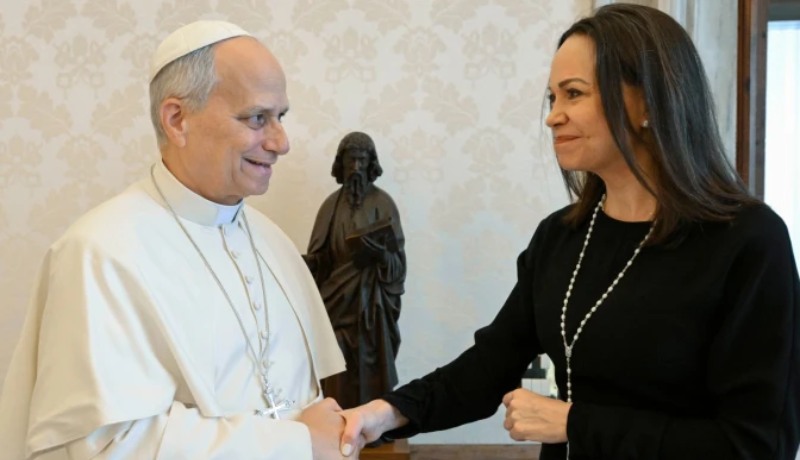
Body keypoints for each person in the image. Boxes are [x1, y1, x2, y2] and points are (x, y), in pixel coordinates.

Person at [337, 4, 800, 460]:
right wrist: (385, 412)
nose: (553, 116)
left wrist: (575, 424)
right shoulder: (559, 238)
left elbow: (758, 445)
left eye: (573, 94)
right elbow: (488, 367)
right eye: (552, 98)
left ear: (646, 101)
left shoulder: (749, 241)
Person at [0, 20, 349, 460]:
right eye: (258, 118)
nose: (281, 142)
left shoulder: (271, 240)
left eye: (281, 117)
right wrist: (296, 444)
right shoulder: (99, 252)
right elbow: (105, 446)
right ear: (177, 119)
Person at [305, 132, 406, 423]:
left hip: (372, 309)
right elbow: (320, 257)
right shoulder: (330, 206)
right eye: (351, 160)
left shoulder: (384, 204)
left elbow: (398, 264)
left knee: (371, 366)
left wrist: (379, 256)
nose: (357, 167)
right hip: (336, 304)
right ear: (342, 163)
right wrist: (308, 263)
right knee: (337, 370)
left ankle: (373, 425)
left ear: (371, 163)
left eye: (362, 160)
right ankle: (337, 425)